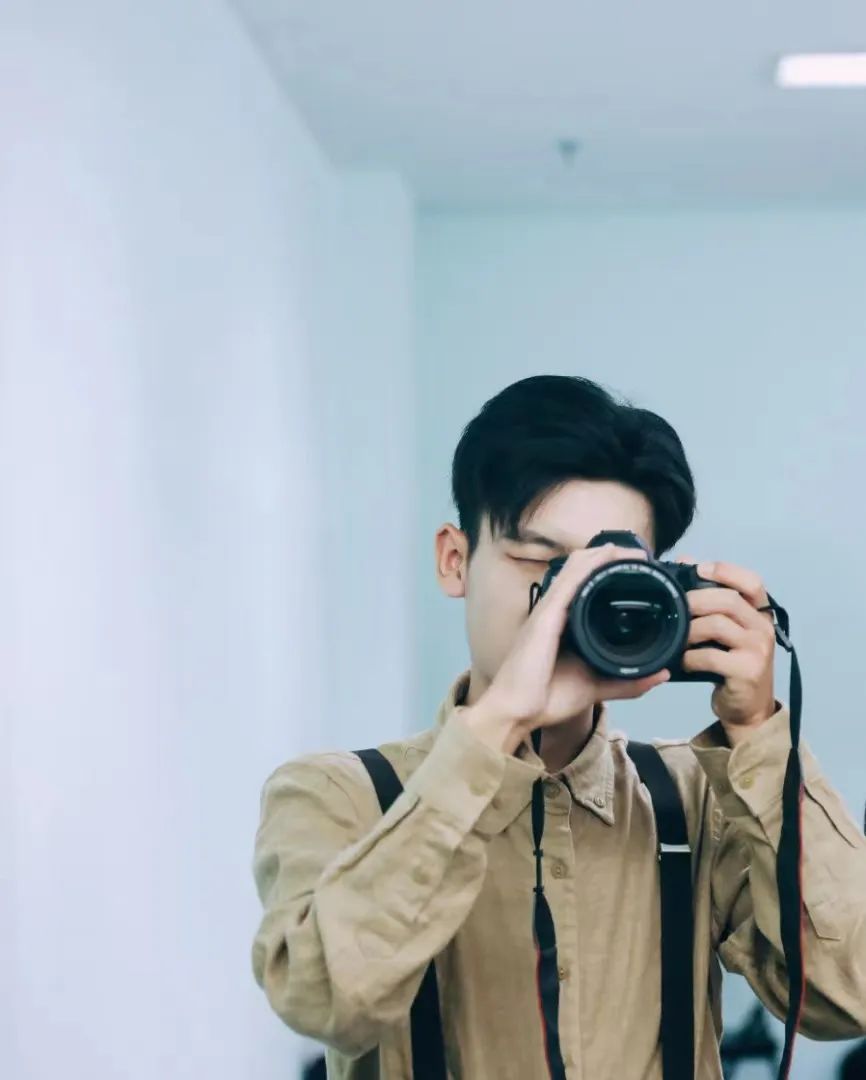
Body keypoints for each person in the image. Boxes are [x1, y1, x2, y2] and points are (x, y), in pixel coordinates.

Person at [251, 375, 866, 1079]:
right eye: (545, 565)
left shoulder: (695, 801)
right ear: (455, 560)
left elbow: (848, 995)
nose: (565, 604)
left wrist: (757, 732)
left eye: (606, 575)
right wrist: (498, 724)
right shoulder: (337, 796)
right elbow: (326, 1000)